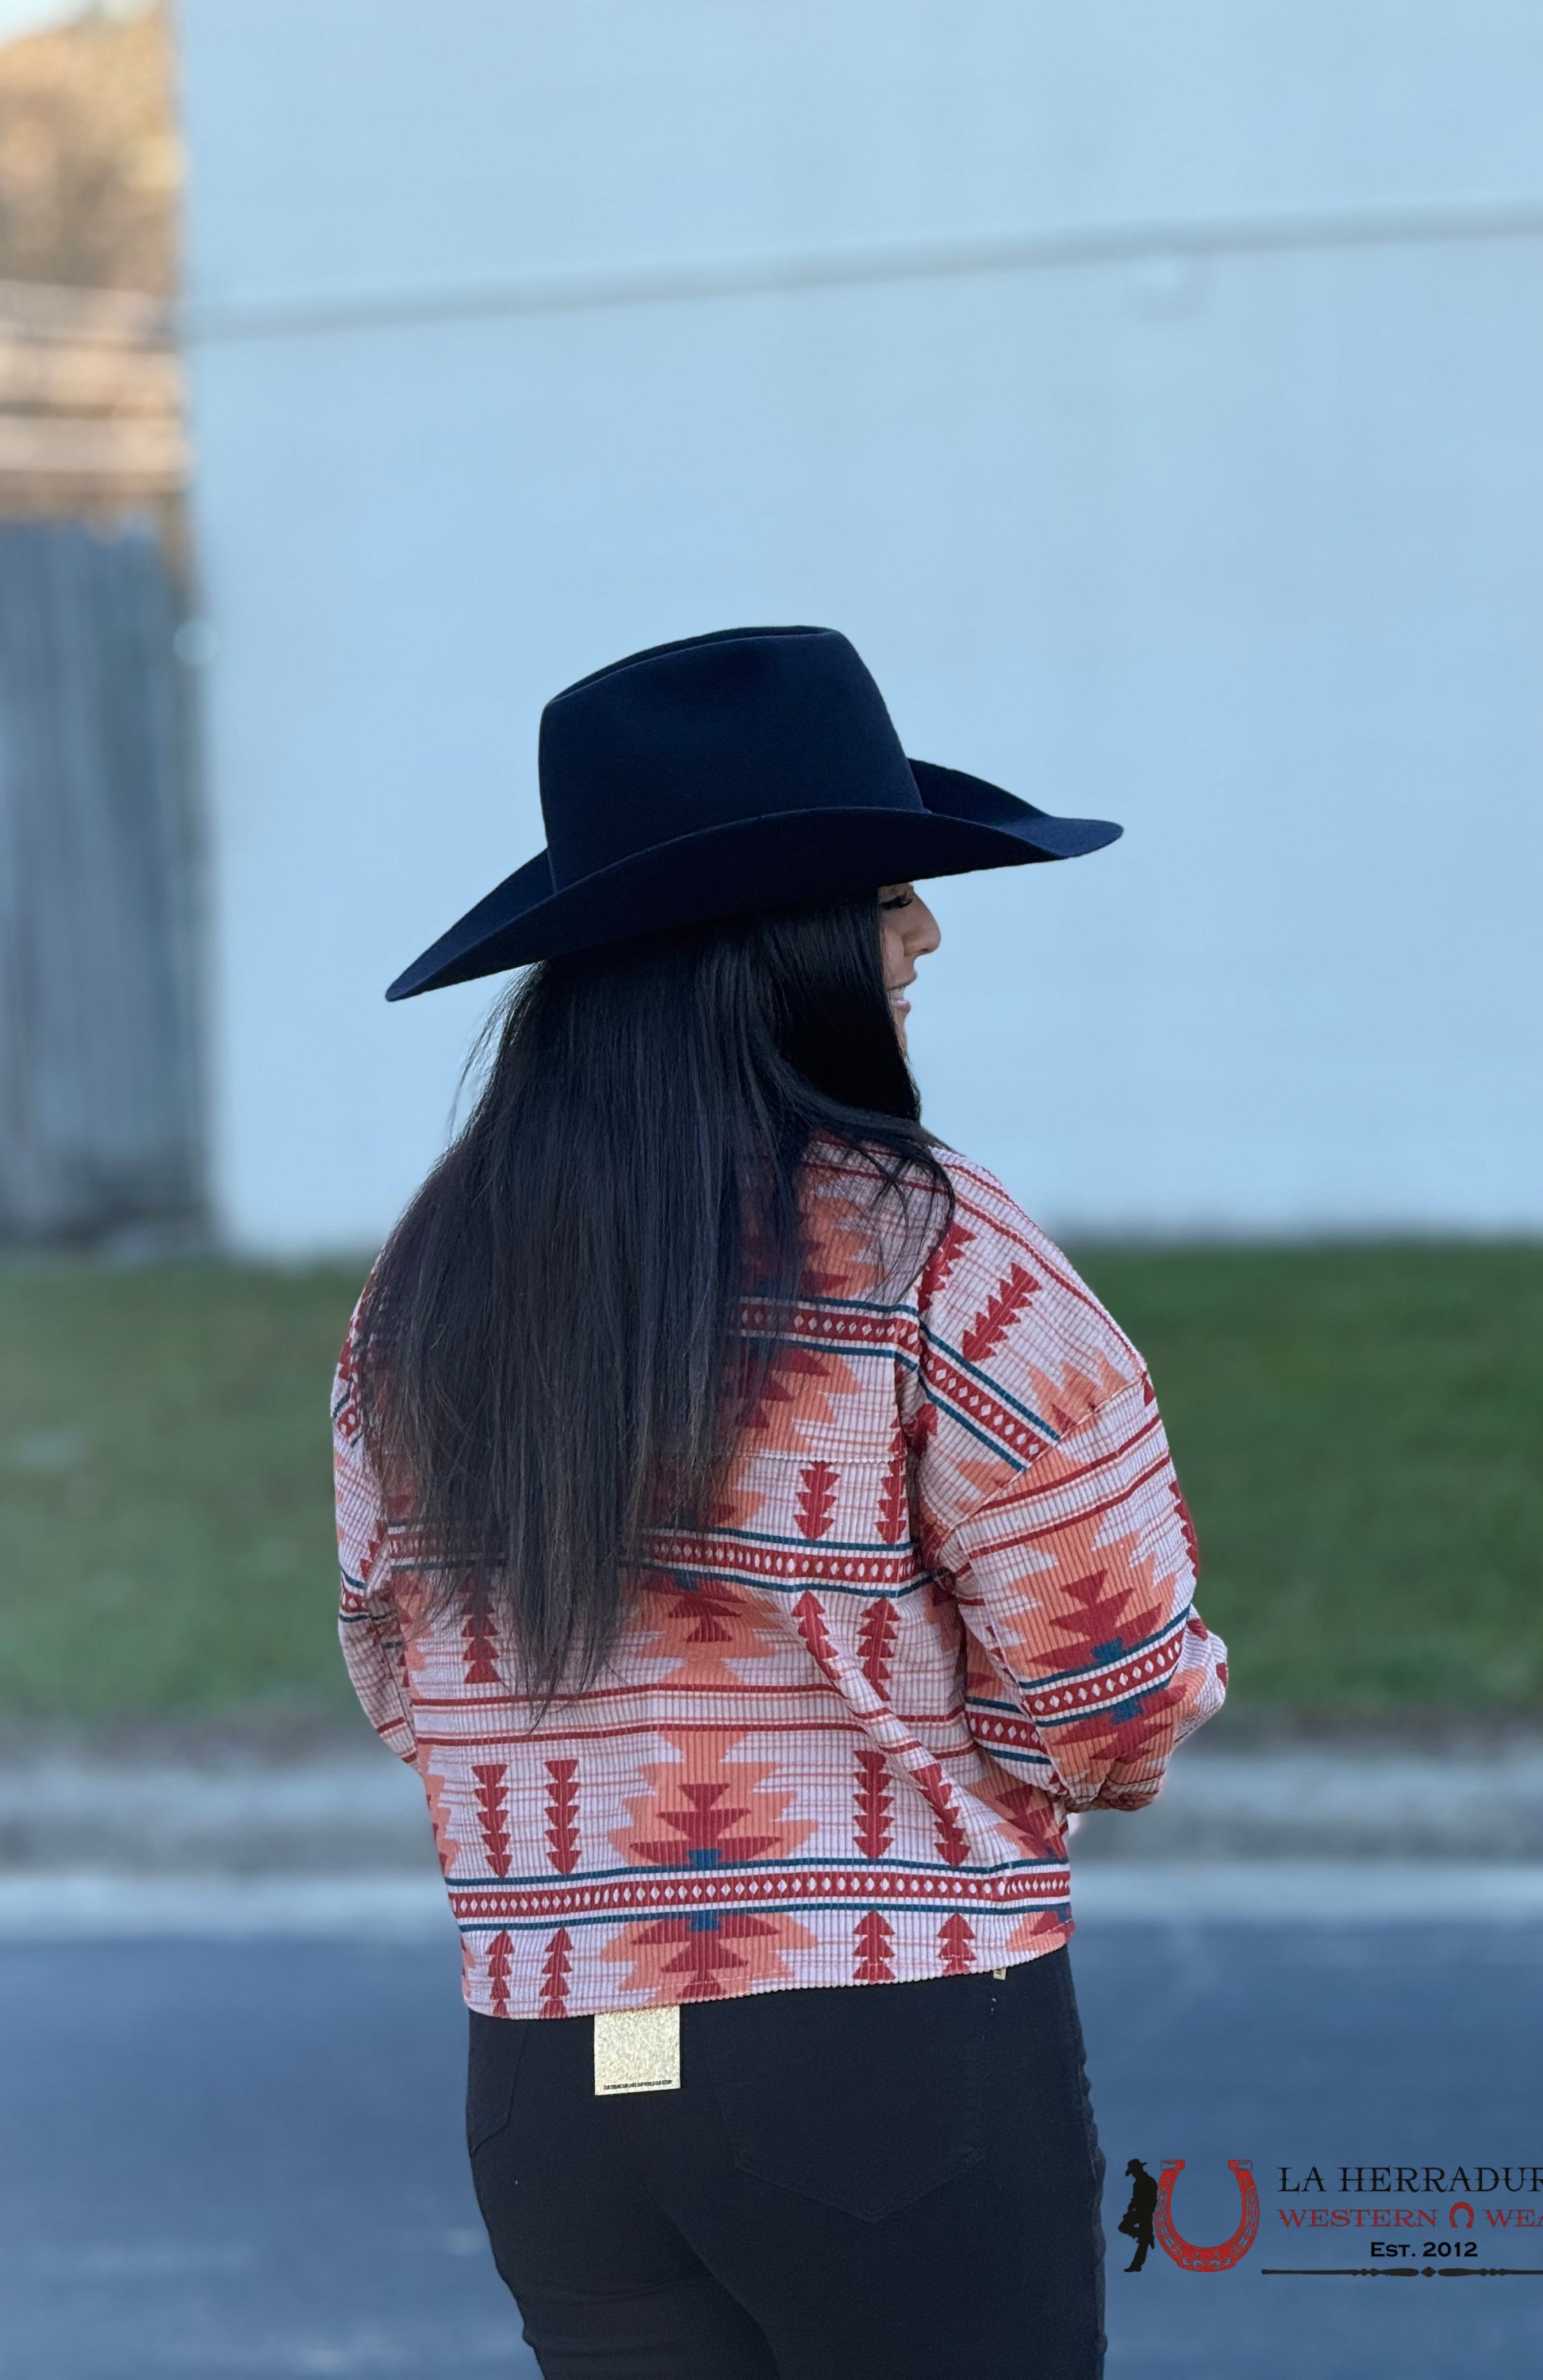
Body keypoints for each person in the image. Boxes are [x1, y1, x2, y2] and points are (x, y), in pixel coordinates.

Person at [334, 625, 1228, 2380]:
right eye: (887, 897)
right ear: (775, 942)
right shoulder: (937, 1252)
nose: (926, 934)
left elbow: (399, 1673)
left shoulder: (427, 1280)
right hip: (875, 2054)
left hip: (557, 2076)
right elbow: (1115, 1703)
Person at [1119, 2158, 1161, 2271]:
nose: (1133, 2175)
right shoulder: (1143, 2182)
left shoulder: (1145, 2182)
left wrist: (1133, 2209)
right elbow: (1137, 2198)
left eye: (1133, 2172)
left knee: (1125, 2228)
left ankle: (1136, 2264)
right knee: (1143, 2240)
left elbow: (1144, 2199)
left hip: (1144, 2212)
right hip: (1144, 2212)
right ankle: (1137, 2264)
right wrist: (1131, 2208)